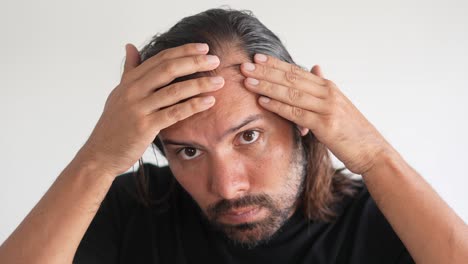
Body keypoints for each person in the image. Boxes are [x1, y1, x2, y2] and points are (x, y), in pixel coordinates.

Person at [0, 7, 467, 264]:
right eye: (188, 150)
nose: (225, 186)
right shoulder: (132, 210)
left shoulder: (379, 217)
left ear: (302, 117)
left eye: (247, 137)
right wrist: (98, 159)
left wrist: (375, 156)